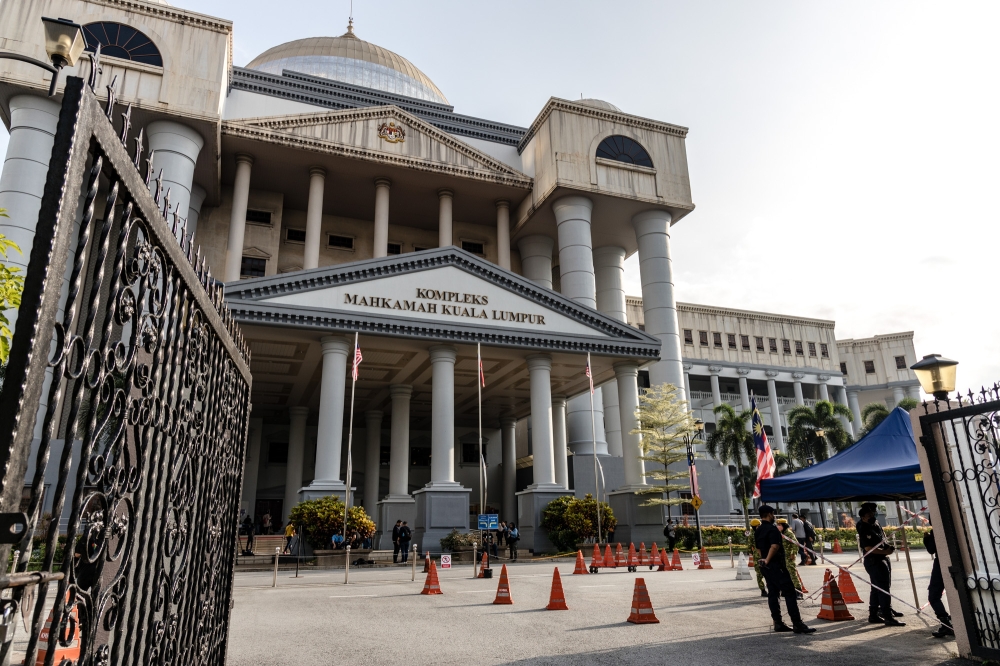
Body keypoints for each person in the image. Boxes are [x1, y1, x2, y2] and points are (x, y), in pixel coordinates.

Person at [755, 505, 814, 634]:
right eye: (773, 514)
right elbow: (775, 546)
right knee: (790, 592)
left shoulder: (758, 530)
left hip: (766, 567)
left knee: (773, 593)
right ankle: (797, 623)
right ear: (770, 514)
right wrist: (768, 559)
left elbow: (758, 548)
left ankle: (778, 622)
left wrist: (763, 559)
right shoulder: (773, 529)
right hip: (776, 565)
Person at [857, 502, 905, 626]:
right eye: (869, 514)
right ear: (863, 516)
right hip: (874, 560)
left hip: (882, 558)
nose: (873, 515)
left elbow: (881, 539)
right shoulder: (863, 527)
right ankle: (887, 615)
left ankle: (876, 613)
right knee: (882, 589)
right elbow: (868, 547)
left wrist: (887, 548)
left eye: (873, 512)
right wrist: (884, 551)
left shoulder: (875, 524)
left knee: (878, 587)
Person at [924, 527, 953, 637]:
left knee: (933, 596)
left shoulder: (936, 530)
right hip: (954, 560)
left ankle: (946, 624)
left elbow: (931, 549)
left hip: (941, 563)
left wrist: (926, 539)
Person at [776, 519, 804, 599]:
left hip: (789, 557)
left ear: (784, 526)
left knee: (792, 574)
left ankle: (799, 591)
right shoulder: (781, 533)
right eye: (778, 525)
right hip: (782, 557)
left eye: (780, 525)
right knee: (783, 575)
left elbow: (795, 544)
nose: (778, 526)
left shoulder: (788, 533)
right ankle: (785, 591)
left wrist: (793, 553)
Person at [750, 518, 767, 597]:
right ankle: (763, 590)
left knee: (765, 573)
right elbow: (750, 546)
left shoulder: (760, 532)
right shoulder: (753, 534)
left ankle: (766, 590)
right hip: (760, 556)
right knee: (760, 574)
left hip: (763, 555)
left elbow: (749, 547)